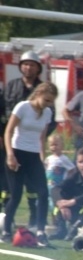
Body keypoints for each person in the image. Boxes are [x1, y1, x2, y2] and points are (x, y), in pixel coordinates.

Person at [2, 81, 58, 245]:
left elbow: (42, 137)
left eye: (51, 101)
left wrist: (42, 158)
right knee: (16, 195)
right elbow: (9, 131)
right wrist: (10, 155)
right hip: (17, 152)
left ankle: (40, 231)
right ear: (39, 94)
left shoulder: (47, 112)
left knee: (43, 192)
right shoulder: (23, 107)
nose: (48, 104)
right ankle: (6, 229)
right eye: (46, 100)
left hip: (34, 156)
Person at [4, 51, 56, 226]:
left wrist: (42, 155)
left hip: (33, 151)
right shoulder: (12, 87)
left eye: (32, 64)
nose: (28, 67)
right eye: (25, 64)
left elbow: (45, 131)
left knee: (39, 191)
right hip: (13, 147)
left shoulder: (46, 96)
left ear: (38, 68)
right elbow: (6, 122)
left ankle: (38, 226)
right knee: (12, 191)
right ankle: (6, 225)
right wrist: (8, 150)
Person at [44, 133, 75, 216]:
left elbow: (72, 169)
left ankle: (58, 221)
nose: (54, 147)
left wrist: (67, 179)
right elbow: (46, 169)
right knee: (50, 203)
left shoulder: (64, 159)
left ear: (62, 145)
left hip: (58, 186)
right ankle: (53, 221)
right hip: (49, 185)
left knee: (57, 203)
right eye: (51, 145)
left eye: (56, 145)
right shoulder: (48, 158)